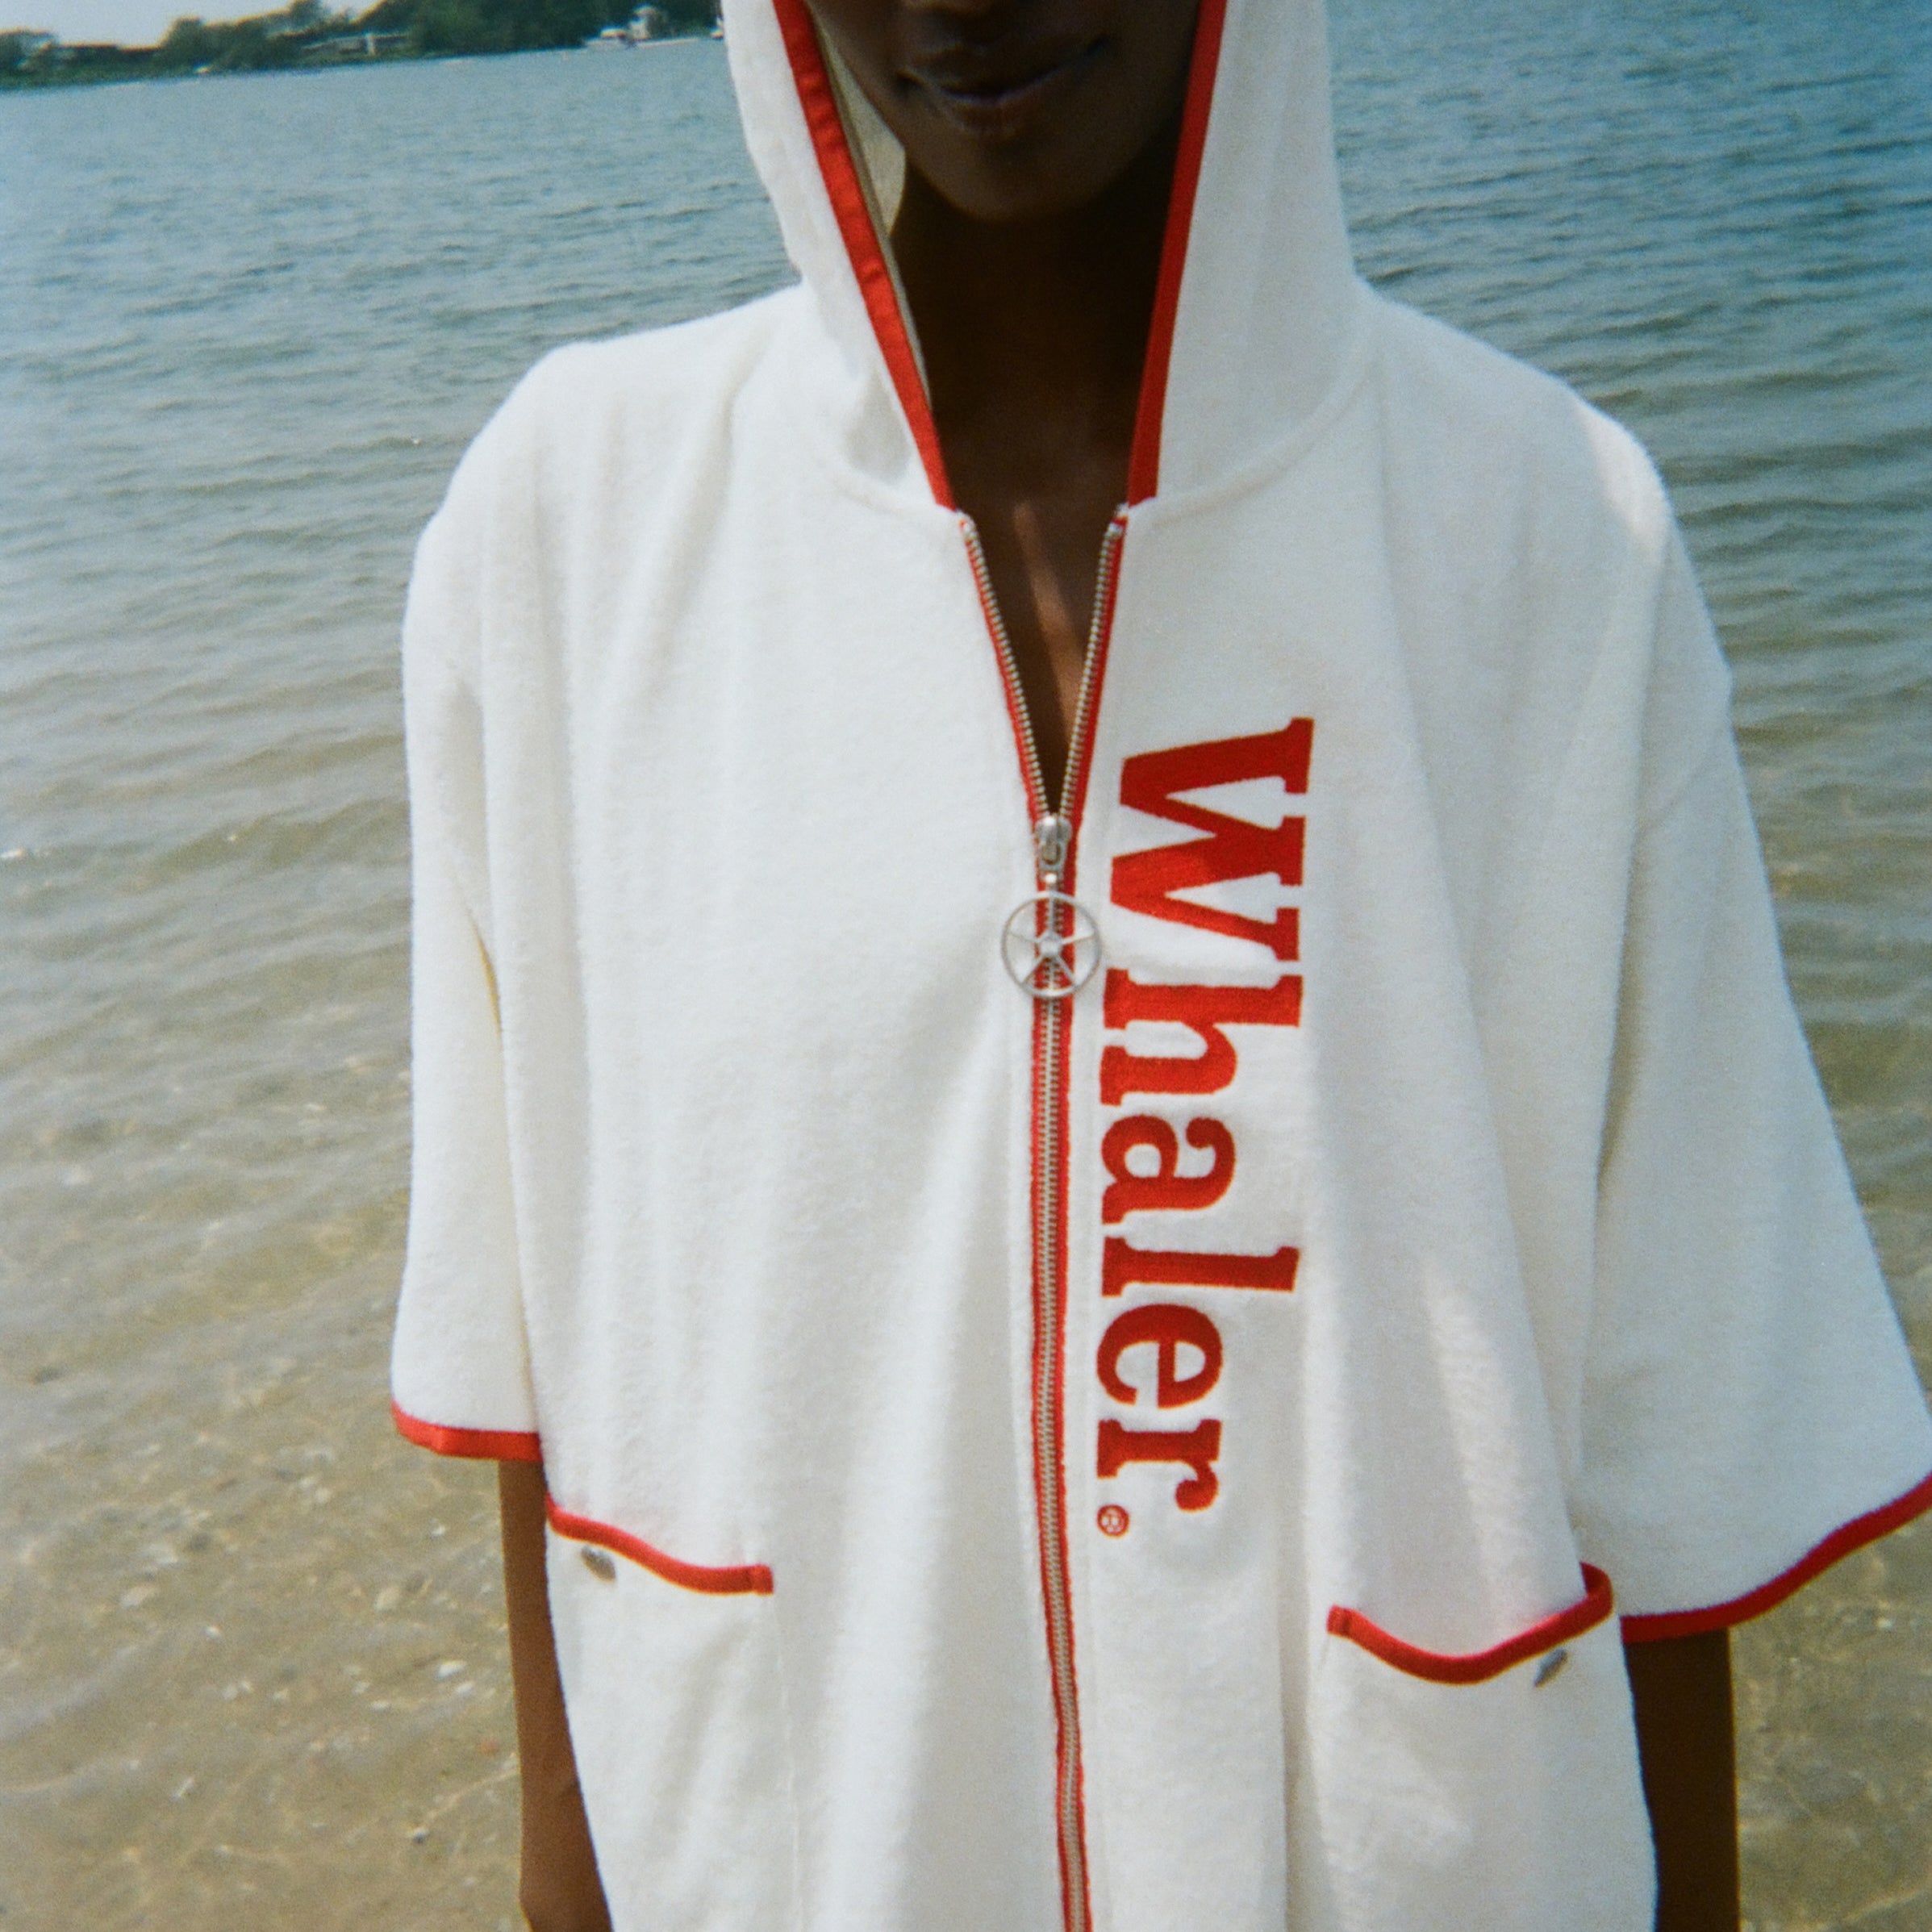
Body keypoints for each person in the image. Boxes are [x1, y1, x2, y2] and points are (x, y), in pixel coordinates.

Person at [386, 0, 1932, 1926]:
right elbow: (534, 1354)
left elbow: (1680, 1419)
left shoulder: (1541, 535)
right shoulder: (572, 534)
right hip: (813, 1847)